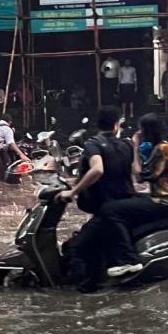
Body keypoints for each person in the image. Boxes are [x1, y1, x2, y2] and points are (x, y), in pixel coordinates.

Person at [58, 106, 135, 292]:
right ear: (117, 125)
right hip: (124, 206)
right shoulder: (126, 145)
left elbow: (98, 169)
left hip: (107, 210)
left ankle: (86, 294)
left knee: (76, 247)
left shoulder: (93, 145)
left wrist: (74, 191)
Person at [100, 113, 168, 277]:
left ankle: (128, 261)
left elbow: (139, 175)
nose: (139, 132)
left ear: (148, 131)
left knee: (109, 210)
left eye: (141, 129)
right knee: (126, 201)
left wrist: (135, 146)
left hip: (164, 201)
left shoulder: (162, 149)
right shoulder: (167, 146)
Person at [0, 115, 29, 181]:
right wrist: (22, 155)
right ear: (10, 122)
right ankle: (1, 184)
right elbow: (11, 143)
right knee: (0, 172)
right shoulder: (7, 129)